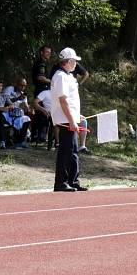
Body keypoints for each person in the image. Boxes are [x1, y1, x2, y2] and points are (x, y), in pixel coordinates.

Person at [51, 47, 87, 192]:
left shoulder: (68, 76)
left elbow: (70, 101)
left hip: (69, 118)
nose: (75, 65)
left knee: (73, 151)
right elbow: (63, 101)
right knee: (66, 151)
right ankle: (61, 182)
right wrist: (71, 120)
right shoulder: (60, 76)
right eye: (74, 62)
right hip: (65, 119)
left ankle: (72, 181)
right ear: (69, 61)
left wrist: (77, 115)